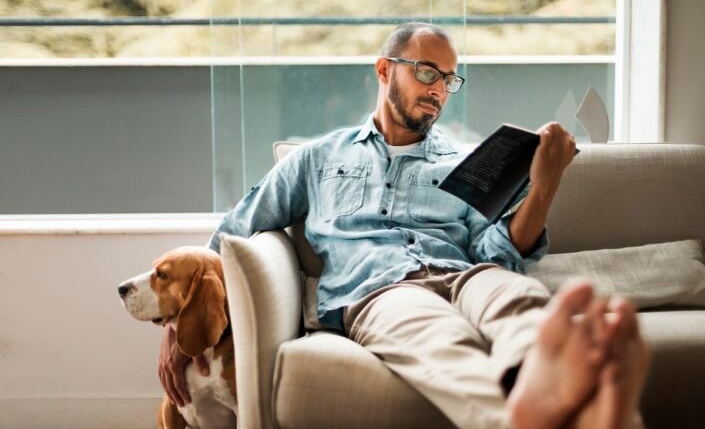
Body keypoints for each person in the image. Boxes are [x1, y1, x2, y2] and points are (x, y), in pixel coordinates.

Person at [159, 22, 649, 428]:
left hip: (469, 275)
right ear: (384, 69)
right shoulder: (316, 159)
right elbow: (232, 231)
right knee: (441, 344)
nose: (438, 89)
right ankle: (521, 419)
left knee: (519, 302)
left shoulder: (466, 162)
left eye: (448, 80)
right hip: (383, 290)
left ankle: (578, 394)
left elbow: (498, 254)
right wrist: (179, 327)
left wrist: (543, 188)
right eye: (426, 72)